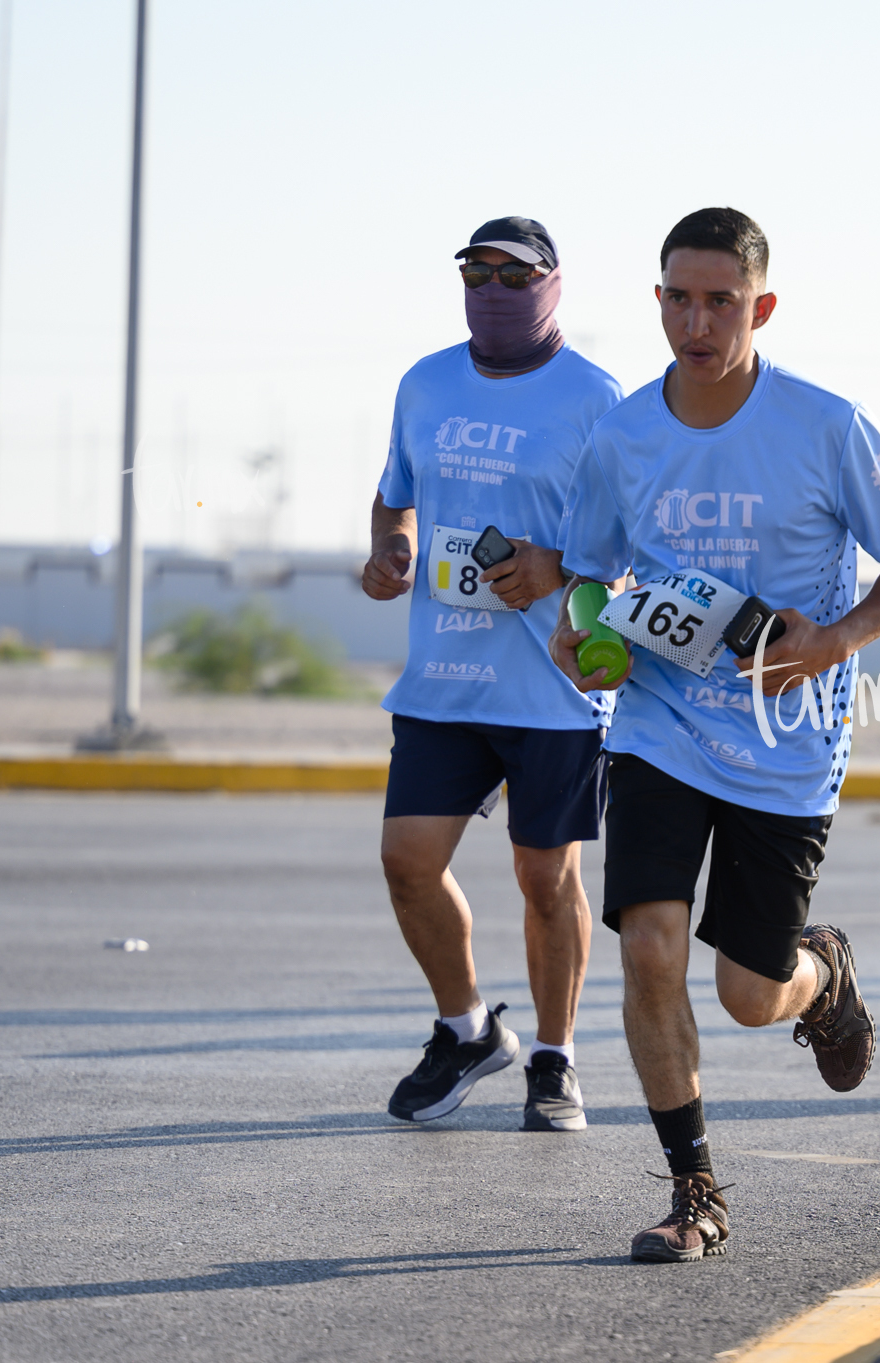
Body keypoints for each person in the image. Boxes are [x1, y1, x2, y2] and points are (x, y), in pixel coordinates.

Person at [551, 208, 880, 1262]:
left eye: (720, 300)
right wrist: (584, 643)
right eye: (679, 297)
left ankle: (823, 977)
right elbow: (586, 582)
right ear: (659, 300)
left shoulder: (824, 424)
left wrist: (833, 641)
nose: (697, 320)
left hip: (788, 737)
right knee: (652, 955)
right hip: (660, 727)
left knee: (748, 992)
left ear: (758, 307)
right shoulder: (624, 432)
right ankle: (694, 1191)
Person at [360, 216, 622, 1133]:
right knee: (405, 862)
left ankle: (555, 1056)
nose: (496, 290)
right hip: (442, 679)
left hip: (552, 682)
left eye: (518, 276)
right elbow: (395, 495)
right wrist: (389, 551)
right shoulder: (424, 383)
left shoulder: (597, 397)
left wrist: (558, 570)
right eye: (479, 272)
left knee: (545, 878)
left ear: (554, 285)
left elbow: (630, 543)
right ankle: (467, 1028)